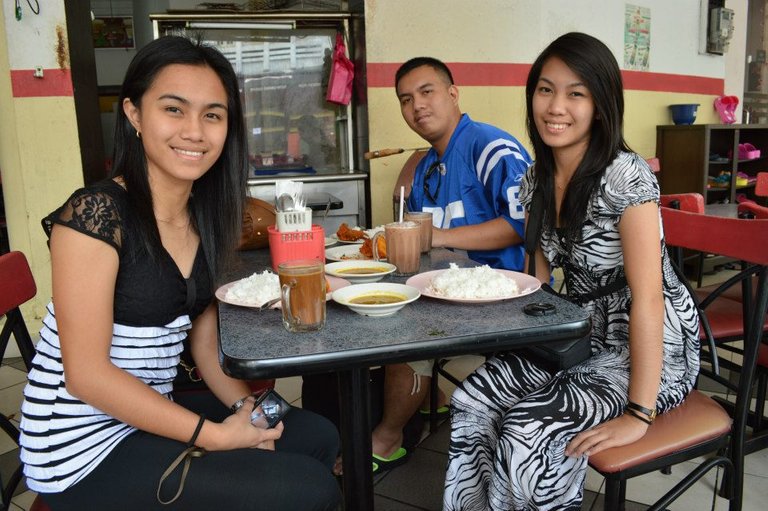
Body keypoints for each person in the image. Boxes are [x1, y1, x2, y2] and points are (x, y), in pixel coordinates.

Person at [18, 36, 340, 510]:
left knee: (315, 434)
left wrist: (243, 409)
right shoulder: (95, 216)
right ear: (133, 115)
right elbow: (85, 376)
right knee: (309, 490)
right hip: (78, 446)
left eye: (212, 115)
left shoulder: (206, 218)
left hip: (144, 411)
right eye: (173, 109)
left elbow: (204, 342)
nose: (195, 131)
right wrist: (215, 436)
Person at [443, 32, 701, 510]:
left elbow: (649, 299)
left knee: (528, 429)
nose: (556, 106)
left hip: (650, 346)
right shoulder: (535, 178)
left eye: (575, 93)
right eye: (545, 89)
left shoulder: (626, 176)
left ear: (600, 106)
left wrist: (638, 414)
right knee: (472, 401)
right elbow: (536, 284)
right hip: (578, 334)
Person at [370, 57, 532, 473]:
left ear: (453, 94)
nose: (417, 106)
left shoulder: (490, 147)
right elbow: (418, 238)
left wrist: (437, 237)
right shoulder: (424, 166)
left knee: (399, 334)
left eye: (427, 92)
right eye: (406, 99)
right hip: (445, 289)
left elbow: (521, 226)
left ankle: (386, 438)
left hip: (500, 296)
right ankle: (431, 401)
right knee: (379, 309)